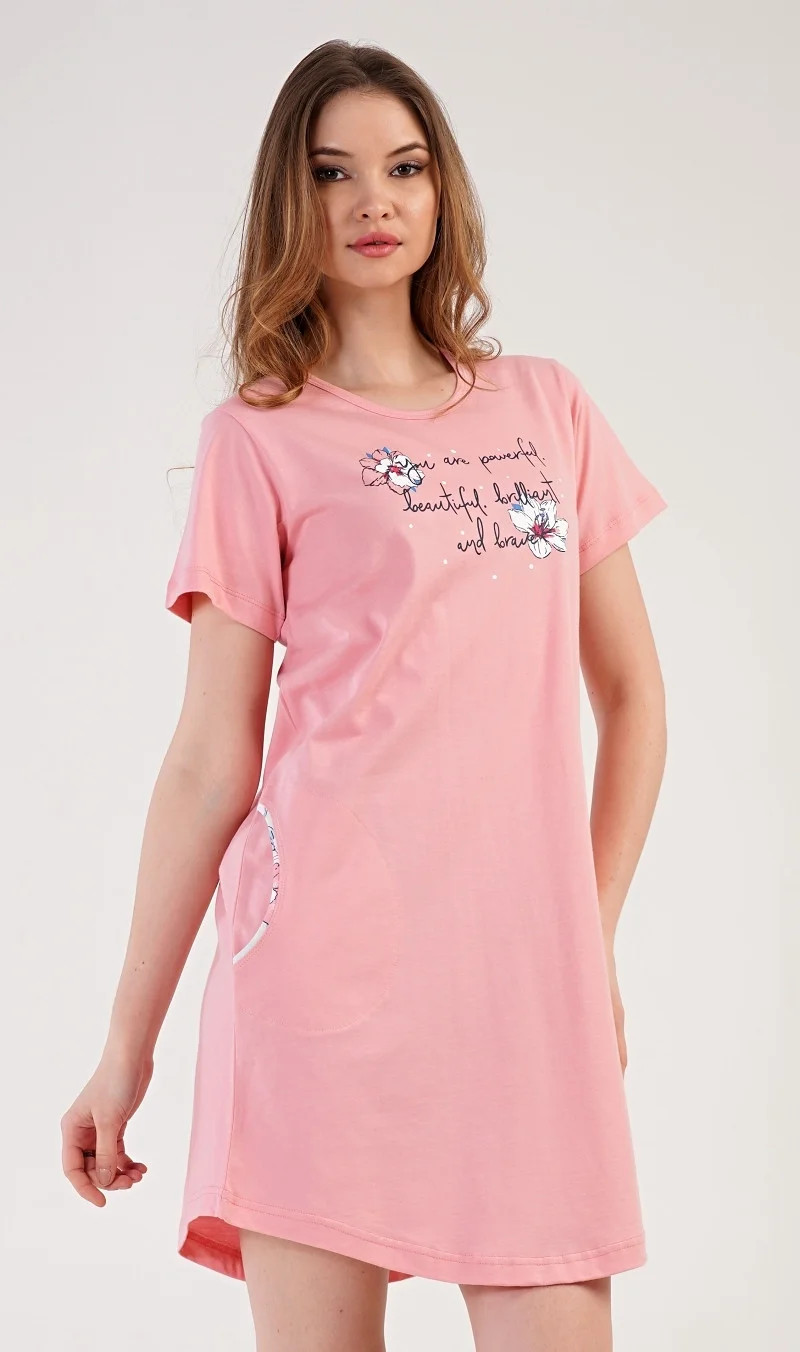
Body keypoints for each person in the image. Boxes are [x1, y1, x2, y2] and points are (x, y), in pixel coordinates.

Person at [61, 38, 668, 1352]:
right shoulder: (257, 437)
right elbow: (209, 760)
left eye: (404, 167)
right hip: (324, 987)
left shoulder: (548, 408)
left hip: (524, 991)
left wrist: (589, 935)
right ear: (293, 202)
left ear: (443, 190)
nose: (373, 201)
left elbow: (633, 700)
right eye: (333, 173)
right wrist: (126, 1046)